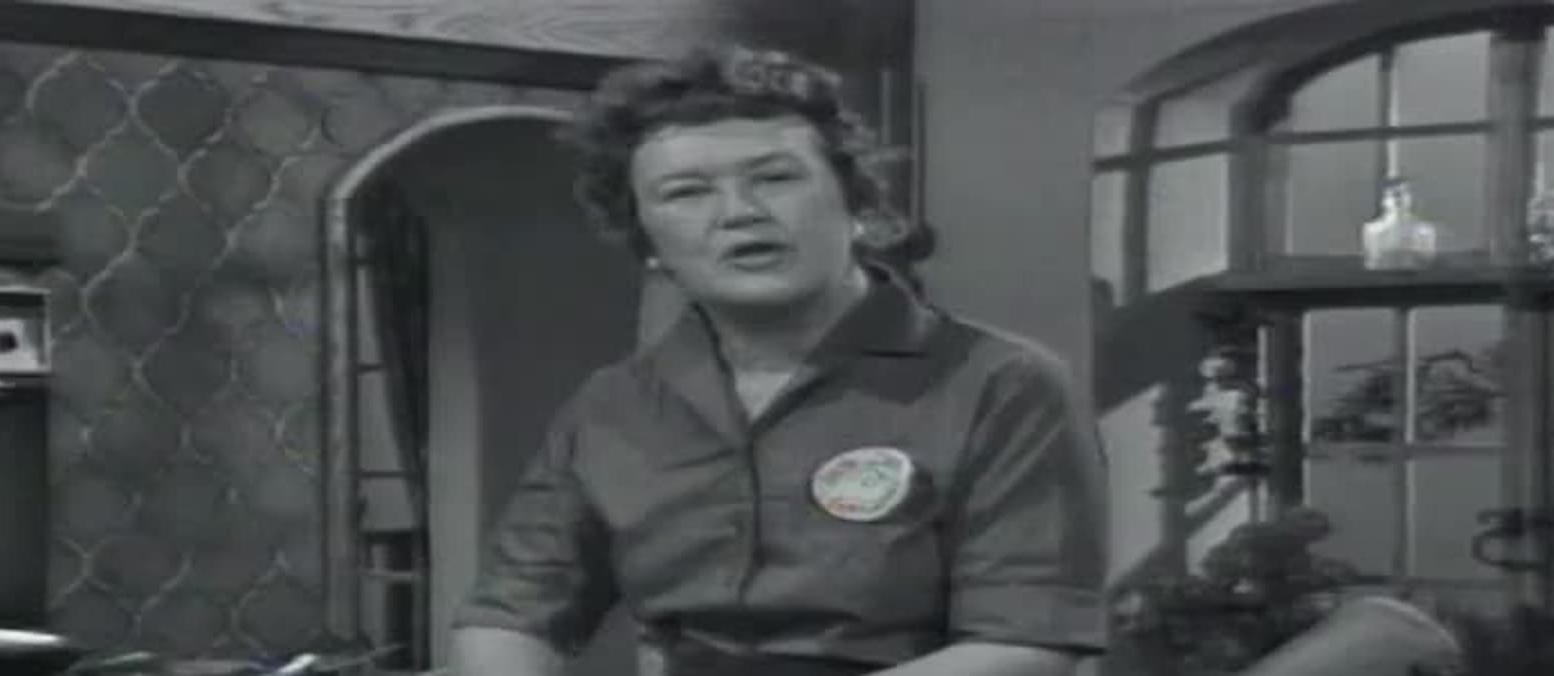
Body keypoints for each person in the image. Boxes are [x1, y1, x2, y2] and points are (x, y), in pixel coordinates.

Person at [450, 43, 1109, 676]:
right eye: (687, 192)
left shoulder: (999, 382)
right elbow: (511, 614)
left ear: (855, 205)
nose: (740, 213)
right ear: (647, 242)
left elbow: (1025, 643)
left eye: (775, 178)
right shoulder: (612, 405)